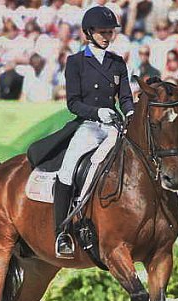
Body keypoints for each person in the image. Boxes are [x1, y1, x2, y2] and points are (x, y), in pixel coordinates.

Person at [54, 6, 134, 258]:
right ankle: (62, 231)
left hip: (113, 127)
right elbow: (73, 103)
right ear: (89, 32)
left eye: (110, 32)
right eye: (102, 32)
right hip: (89, 125)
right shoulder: (76, 62)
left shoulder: (117, 63)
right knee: (66, 171)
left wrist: (130, 114)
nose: (107, 37)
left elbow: (126, 97)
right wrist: (97, 112)